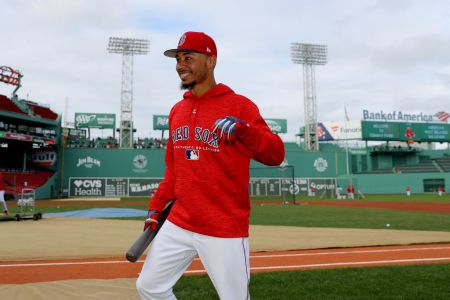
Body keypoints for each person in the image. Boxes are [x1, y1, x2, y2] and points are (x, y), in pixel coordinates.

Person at [136, 31, 285, 300]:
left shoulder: (239, 105)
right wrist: (157, 206)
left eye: (188, 57)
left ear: (210, 61)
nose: (181, 64)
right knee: (149, 287)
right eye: (178, 59)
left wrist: (246, 130)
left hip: (223, 226)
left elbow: (275, 154)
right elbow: (174, 170)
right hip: (180, 222)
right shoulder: (177, 111)